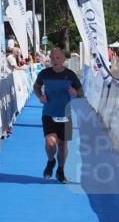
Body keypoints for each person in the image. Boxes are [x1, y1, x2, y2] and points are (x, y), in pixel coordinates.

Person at [33, 47, 83, 183]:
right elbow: (36, 87)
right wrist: (40, 96)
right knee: (51, 143)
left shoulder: (71, 75)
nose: (55, 60)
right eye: (53, 58)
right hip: (48, 114)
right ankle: (51, 161)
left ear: (64, 59)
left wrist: (75, 93)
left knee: (62, 145)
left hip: (66, 115)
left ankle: (61, 170)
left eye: (58, 58)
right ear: (49, 59)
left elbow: (81, 93)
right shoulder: (44, 73)